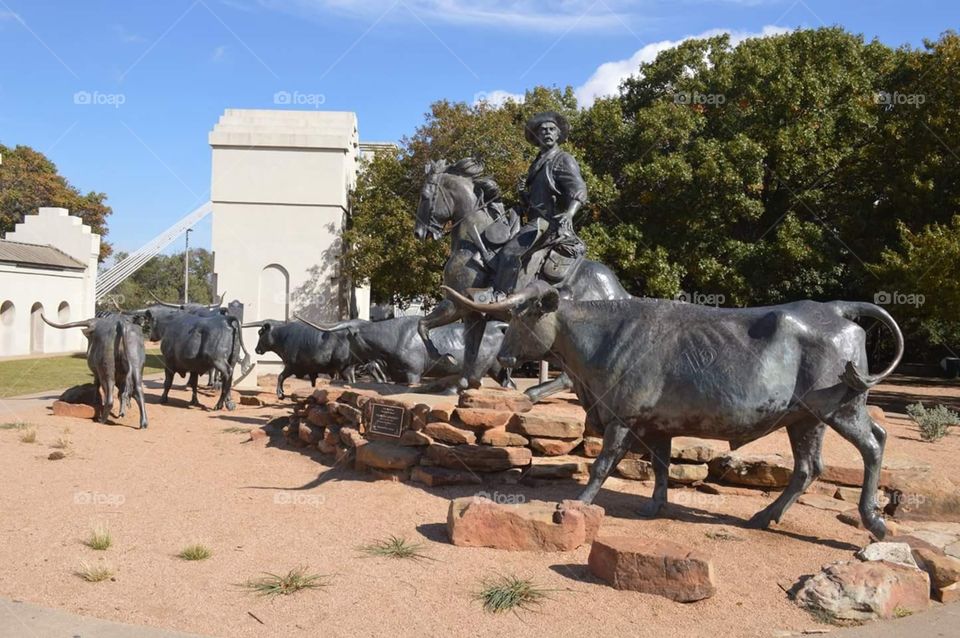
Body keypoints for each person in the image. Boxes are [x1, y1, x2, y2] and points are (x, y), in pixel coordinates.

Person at [491, 111, 588, 297]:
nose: (547, 133)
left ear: (559, 134)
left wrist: (569, 213)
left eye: (552, 129)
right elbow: (533, 204)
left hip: (548, 224)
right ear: (537, 136)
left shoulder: (563, 159)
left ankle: (501, 296)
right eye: (543, 130)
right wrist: (523, 194)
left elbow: (579, 189)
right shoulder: (536, 163)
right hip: (534, 221)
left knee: (509, 252)